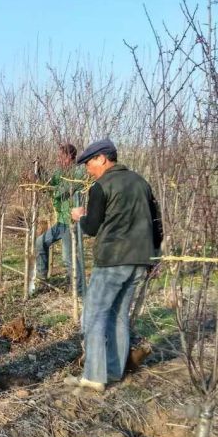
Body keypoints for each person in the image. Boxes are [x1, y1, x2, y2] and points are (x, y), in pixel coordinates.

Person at [65, 139, 162, 391]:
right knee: (119, 316)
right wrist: (155, 255)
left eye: (89, 163)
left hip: (112, 260)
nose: (87, 169)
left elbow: (92, 228)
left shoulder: (101, 186)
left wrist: (80, 216)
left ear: (102, 158)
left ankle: (93, 377)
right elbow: (156, 222)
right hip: (139, 260)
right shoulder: (141, 182)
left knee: (94, 316)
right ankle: (114, 371)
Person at [34, 142, 85, 294]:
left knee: (68, 257)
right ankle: (42, 279)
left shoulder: (78, 173)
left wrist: (48, 189)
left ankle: (78, 289)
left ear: (70, 157)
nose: (58, 159)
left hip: (72, 222)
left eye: (61, 157)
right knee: (40, 243)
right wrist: (39, 170)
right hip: (62, 221)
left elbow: (61, 191)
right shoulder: (60, 171)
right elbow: (50, 182)